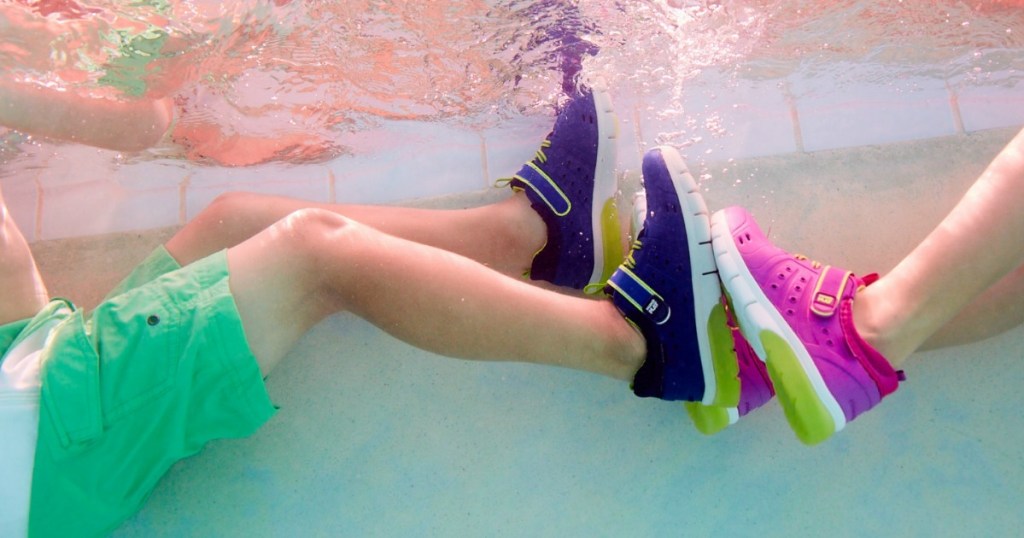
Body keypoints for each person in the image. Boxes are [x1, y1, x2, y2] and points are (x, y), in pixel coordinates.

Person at [1, 87, 1022, 536]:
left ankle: (530, 235)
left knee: (229, 219)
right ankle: (648, 343)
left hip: (31, 374)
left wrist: (161, 125)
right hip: (36, 438)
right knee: (313, 257)